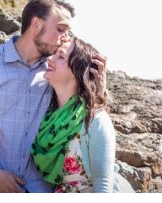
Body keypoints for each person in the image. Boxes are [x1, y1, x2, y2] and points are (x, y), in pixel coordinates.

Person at [0, 0, 105, 193]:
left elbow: (81, 112)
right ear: (36, 24)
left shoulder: (53, 73)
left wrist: (98, 86)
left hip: (38, 189)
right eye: (61, 29)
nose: (65, 37)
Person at [31, 38, 133, 193]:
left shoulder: (95, 120)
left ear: (77, 71)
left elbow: (103, 184)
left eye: (60, 56)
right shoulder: (46, 115)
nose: (49, 58)